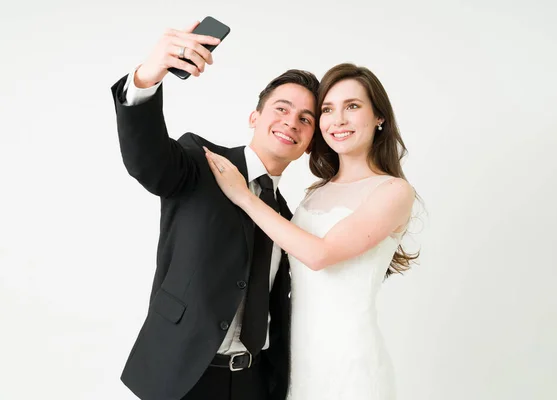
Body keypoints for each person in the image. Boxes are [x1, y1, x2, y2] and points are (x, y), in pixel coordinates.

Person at [110, 21, 319, 400]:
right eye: (282, 108)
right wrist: (147, 76)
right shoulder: (200, 162)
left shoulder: (288, 217)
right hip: (182, 376)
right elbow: (146, 160)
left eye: (306, 119)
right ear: (255, 118)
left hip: (253, 382)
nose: (292, 121)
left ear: (307, 143)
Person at [204, 62, 418, 400]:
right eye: (328, 110)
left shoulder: (393, 192)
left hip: (350, 362)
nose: (339, 120)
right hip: (299, 361)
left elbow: (319, 255)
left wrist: (243, 196)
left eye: (353, 106)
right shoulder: (315, 193)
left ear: (379, 117)